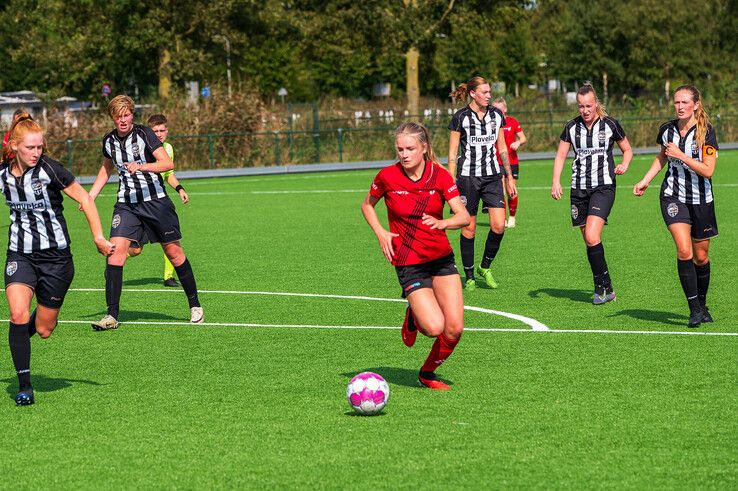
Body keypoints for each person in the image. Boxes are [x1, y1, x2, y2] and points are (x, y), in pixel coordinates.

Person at [1, 114, 114, 405]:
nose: (37, 152)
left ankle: (21, 337)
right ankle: (24, 385)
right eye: (30, 148)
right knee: (17, 314)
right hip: (20, 254)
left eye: (40, 147)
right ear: (14, 147)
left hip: (56, 260)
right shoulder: (3, 175)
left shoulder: (50, 169)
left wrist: (99, 237)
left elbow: (85, 199)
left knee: (44, 329)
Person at [361, 122, 470, 390]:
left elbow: (464, 216)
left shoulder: (440, 176)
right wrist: (380, 232)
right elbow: (367, 205)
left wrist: (445, 223)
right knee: (434, 327)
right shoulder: (387, 176)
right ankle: (414, 312)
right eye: (400, 149)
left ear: (424, 148)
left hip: (441, 259)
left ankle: (427, 374)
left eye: (410, 148)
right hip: (409, 262)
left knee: (454, 329)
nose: (404, 154)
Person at [88, 95, 203, 330]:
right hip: (126, 204)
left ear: (132, 115)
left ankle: (195, 306)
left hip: (156, 202)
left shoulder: (144, 134)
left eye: (127, 115)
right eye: (118, 116)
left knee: (174, 254)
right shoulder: (109, 141)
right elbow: (106, 168)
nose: (123, 120)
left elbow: (166, 164)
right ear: (112, 117)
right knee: (115, 254)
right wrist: (90, 196)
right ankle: (112, 315)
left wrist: (141, 166)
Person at [634, 85, 718, 327]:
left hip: (702, 200)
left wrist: (681, 155)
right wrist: (645, 180)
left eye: (684, 102)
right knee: (684, 251)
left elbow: (708, 170)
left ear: (696, 105)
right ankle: (693, 310)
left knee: (701, 257)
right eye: (676, 103)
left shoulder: (706, 132)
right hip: (673, 196)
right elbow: (662, 156)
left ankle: (702, 305)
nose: (680, 107)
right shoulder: (666, 130)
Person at [551, 83, 633, 305]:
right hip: (578, 190)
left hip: (603, 187)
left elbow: (627, 149)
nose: (585, 110)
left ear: (596, 103)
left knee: (592, 236)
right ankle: (608, 286)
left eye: (588, 105)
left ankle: (599, 289)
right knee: (589, 241)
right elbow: (560, 156)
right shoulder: (571, 127)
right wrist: (556, 181)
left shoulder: (610, 125)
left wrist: (624, 164)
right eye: (580, 106)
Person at [448, 77, 517, 291]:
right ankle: (468, 276)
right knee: (468, 229)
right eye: (485, 92)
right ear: (472, 93)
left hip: (493, 177)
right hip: (467, 178)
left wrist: (509, 176)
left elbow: (502, 148)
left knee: (498, 225)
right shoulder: (460, 117)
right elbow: (452, 155)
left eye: (489, 92)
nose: (488, 95)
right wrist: (450, 186)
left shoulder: (496, 115)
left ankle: (485, 267)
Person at [146, 114, 189, 288]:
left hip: (160, 200)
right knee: (134, 249)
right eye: (154, 131)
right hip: (141, 201)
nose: (159, 134)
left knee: (170, 239)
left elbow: (168, 174)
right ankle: (114, 262)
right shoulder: (144, 148)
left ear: (167, 131)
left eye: (162, 130)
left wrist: (179, 189)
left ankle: (168, 276)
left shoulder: (169, 148)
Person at [491, 97, 527, 228]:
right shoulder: (491, 123)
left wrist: (518, 142)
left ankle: (512, 217)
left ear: (505, 109)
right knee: (500, 192)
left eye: (499, 109)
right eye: (495, 109)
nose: (497, 112)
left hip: (512, 161)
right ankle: (502, 219)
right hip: (496, 162)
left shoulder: (512, 122)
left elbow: (523, 138)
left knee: (511, 191)